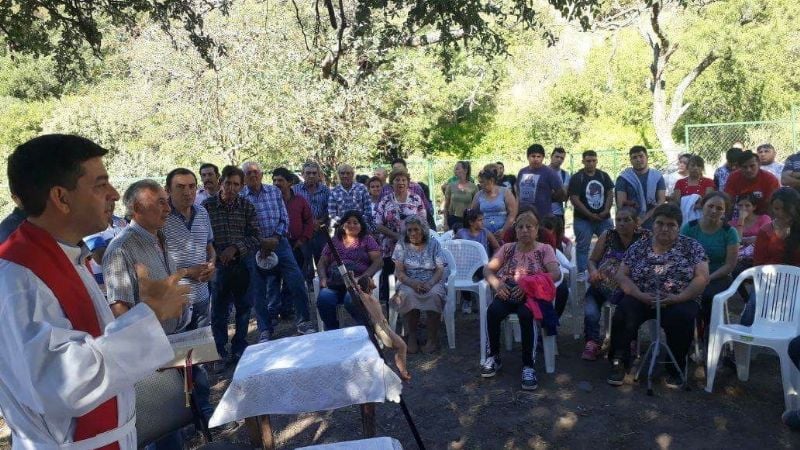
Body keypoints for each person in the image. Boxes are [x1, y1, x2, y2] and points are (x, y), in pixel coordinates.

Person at [0, 134, 186, 449]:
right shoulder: (19, 278)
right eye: (100, 185)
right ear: (61, 197)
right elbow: (64, 383)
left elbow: (92, 344)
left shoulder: (68, 255)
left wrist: (144, 316)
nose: (114, 194)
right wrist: (150, 317)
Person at [607, 203, 709, 387]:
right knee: (624, 311)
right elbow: (622, 275)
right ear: (652, 225)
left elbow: (702, 278)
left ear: (679, 227)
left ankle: (675, 366)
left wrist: (679, 297)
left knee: (682, 316)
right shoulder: (639, 247)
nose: (664, 228)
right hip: (642, 296)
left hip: (680, 298)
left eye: (671, 225)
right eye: (660, 223)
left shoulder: (692, 247)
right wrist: (638, 294)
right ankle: (619, 362)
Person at [480, 211, 561, 390]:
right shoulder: (507, 248)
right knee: (492, 312)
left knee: (526, 315)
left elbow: (556, 274)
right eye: (520, 227)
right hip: (507, 289)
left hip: (531, 293)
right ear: (515, 230)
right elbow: (487, 270)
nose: (524, 230)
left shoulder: (544, 249)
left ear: (536, 230)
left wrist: (527, 285)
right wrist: (496, 284)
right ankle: (493, 356)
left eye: (529, 227)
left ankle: (528, 366)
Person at [104, 179, 191, 334]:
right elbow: (119, 311)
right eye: (160, 202)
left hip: (175, 336)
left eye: (167, 202)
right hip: (151, 344)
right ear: (138, 208)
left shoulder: (161, 237)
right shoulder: (120, 249)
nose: (168, 209)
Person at [241, 161, 316, 337]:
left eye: (256, 172)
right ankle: (265, 329)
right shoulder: (241, 196)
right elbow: (242, 226)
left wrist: (275, 238)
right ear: (244, 177)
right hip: (254, 247)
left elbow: (284, 218)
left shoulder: (274, 192)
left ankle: (303, 322)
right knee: (258, 290)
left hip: (279, 243)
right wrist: (261, 242)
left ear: (261, 174)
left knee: (297, 282)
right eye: (248, 173)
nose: (253, 175)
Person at [202, 165, 262, 366]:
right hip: (218, 265)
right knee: (218, 310)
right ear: (221, 183)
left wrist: (236, 248)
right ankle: (219, 351)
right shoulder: (206, 207)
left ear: (242, 186)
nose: (231, 188)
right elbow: (202, 238)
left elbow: (255, 237)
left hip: (243, 263)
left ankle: (239, 348)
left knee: (244, 308)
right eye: (228, 183)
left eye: (236, 184)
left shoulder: (247, 207)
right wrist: (217, 253)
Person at [581, 207, 649, 361]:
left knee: (630, 306)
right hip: (605, 283)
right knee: (591, 302)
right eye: (618, 220)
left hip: (630, 285)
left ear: (636, 222)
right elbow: (592, 260)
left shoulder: (645, 237)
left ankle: (628, 340)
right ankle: (592, 341)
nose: (622, 223)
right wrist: (593, 271)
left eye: (627, 220)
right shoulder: (608, 235)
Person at [263, 167, 314, 326]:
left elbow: (309, 221)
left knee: (293, 279)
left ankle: (287, 309)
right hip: (274, 245)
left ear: (290, 182)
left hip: (296, 245)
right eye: (274, 180)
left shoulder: (300, 200)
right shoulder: (269, 199)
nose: (277, 183)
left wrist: (303, 239)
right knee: (273, 279)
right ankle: (272, 312)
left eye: (281, 180)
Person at [741, 188, 800, 326]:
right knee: (754, 304)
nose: (779, 213)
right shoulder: (766, 231)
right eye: (776, 209)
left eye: (783, 209)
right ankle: (743, 338)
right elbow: (759, 264)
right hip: (771, 280)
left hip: (797, 281)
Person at [680, 192, 740, 328]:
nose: (714, 210)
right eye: (710, 206)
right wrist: (696, 278)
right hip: (692, 275)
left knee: (708, 296)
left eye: (719, 208)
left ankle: (710, 334)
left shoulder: (730, 232)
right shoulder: (689, 228)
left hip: (719, 277)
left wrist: (708, 278)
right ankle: (689, 334)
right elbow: (681, 256)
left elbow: (730, 265)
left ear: (725, 211)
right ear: (703, 206)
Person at [316, 210, 382, 330]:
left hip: (356, 283)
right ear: (342, 225)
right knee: (324, 299)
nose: (351, 225)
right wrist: (323, 278)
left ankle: (364, 329)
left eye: (355, 223)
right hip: (334, 282)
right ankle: (332, 331)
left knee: (351, 299)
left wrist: (364, 277)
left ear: (361, 225)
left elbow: (378, 261)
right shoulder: (334, 240)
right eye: (348, 222)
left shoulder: (367, 240)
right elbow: (322, 262)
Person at [392, 216, 447, 354]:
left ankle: (432, 339)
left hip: (431, 280)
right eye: (409, 230)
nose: (412, 233)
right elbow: (399, 271)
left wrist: (430, 283)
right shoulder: (401, 244)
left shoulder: (434, 244)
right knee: (407, 295)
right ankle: (412, 337)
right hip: (408, 281)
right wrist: (412, 283)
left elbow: (440, 269)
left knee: (434, 295)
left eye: (416, 229)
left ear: (423, 230)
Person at [374, 167, 427, 303]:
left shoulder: (415, 199)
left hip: (413, 249)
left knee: (411, 283)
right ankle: (391, 317)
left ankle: (411, 314)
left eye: (404, 180)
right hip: (390, 250)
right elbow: (378, 224)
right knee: (390, 284)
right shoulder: (385, 200)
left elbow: (423, 223)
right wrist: (395, 236)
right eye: (397, 180)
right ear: (392, 183)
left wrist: (411, 237)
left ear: (408, 182)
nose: (401, 182)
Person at [569, 150, 615, 279]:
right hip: (583, 219)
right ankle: (582, 271)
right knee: (583, 246)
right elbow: (574, 199)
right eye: (588, 161)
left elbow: (610, 193)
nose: (591, 163)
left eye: (593, 160)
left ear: (597, 161)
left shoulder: (603, 176)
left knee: (610, 243)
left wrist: (606, 210)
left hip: (603, 218)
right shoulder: (577, 177)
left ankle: (607, 269)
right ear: (583, 161)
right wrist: (589, 214)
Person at [292, 161, 331, 282]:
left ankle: (324, 289)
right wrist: (308, 224)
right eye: (308, 173)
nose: (311, 175)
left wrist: (319, 222)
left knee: (324, 261)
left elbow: (329, 209)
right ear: (302, 174)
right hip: (303, 233)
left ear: (319, 174)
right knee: (304, 263)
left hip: (321, 231)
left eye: (314, 173)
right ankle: (308, 292)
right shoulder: (295, 190)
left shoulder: (325, 190)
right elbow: (292, 211)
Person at [615, 145, 666, 230]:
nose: (638, 160)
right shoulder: (623, 178)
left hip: (654, 221)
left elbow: (661, 201)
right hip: (630, 222)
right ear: (631, 161)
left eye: (641, 156)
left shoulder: (657, 176)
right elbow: (621, 204)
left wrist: (644, 218)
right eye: (634, 157)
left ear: (647, 157)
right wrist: (635, 219)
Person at [83, 206, 128, 294]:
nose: (111, 202)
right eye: (105, 198)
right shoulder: (90, 225)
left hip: (127, 282)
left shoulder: (120, 221)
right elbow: (101, 257)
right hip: (105, 288)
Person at [516, 144, 565, 219]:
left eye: (539, 156)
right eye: (533, 156)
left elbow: (561, 191)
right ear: (528, 157)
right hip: (524, 215)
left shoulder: (550, 173)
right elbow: (518, 192)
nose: (536, 159)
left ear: (543, 158)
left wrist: (550, 198)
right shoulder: (522, 172)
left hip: (543, 216)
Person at [724, 150, 781, 216]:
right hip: (739, 215)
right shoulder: (733, 177)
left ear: (759, 164)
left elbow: (773, 206)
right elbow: (728, 202)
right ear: (739, 167)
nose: (749, 170)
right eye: (744, 167)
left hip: (764, 216)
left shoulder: (770, 179)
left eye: (752, 166)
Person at [471, 164, 517, 240]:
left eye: (483, 182)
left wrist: (504, 230)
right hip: (484, 233)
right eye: (480, 182)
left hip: (504, 232)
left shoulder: (505, 192)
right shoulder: (478, 195)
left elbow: (512, 213)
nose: (480, 185)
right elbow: (472, 214)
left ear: (491, 180)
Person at [732, 193, 771, 274]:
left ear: (754, 207)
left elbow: (764, 238)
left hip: (758, 255)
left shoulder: (764, 219)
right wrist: (741, 219)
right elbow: (737, 240)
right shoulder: (732, 223)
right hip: (739, 258)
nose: (743, 208)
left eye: (747, 205)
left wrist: (745, 239)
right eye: (740, 205)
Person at [328, 163, 375, 232]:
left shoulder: (362, 188)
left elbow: (368, 210)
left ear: (352, 174)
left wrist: (358, 223)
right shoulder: (334, 191)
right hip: (342, 229)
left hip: (361, 228)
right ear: (338, 175)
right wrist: (345, 224)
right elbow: (332, 214)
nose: (345, 176)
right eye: (342, 173)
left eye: (348, 173)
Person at [442, 160, 477, 231]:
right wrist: (445, 223)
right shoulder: (450, 186)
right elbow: (446, 206)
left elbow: (476, 207)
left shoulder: (474, 187)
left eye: (457, 168)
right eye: (455, 168)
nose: (455, 170)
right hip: (453, 219)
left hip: (468, 220)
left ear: (465, 170)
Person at [549, 147, 571, 224]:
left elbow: (564, 197)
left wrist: (549, 194)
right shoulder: (541, 171)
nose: (559, 160)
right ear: (551, 156)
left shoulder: (565, 175)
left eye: (562, 158)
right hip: (541, 213)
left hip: (558, 214)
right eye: (557, 157)